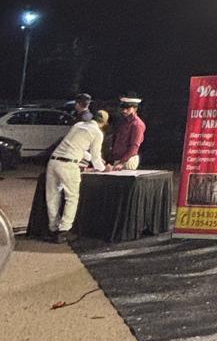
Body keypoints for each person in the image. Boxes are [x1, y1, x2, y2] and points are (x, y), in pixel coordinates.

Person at [45, 111, 106, 242]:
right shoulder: (97, 133)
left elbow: (78, 148)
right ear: (103, 123)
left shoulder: (78, 125)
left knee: (52, 196)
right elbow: (96, 158)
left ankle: (53, 228)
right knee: (72, 197)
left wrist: (94, 159)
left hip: (53, 161)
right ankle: (64, 231)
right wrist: (104, 168)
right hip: (69, 165)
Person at [107, 94, 145, 170]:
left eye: (128, 108)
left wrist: (122, 162)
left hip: (127, 160)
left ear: (135, 108)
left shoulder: (137, 124)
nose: (124, 111)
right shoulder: (123, 122)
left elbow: (134, 146)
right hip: (118, 159)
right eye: (123, 108)